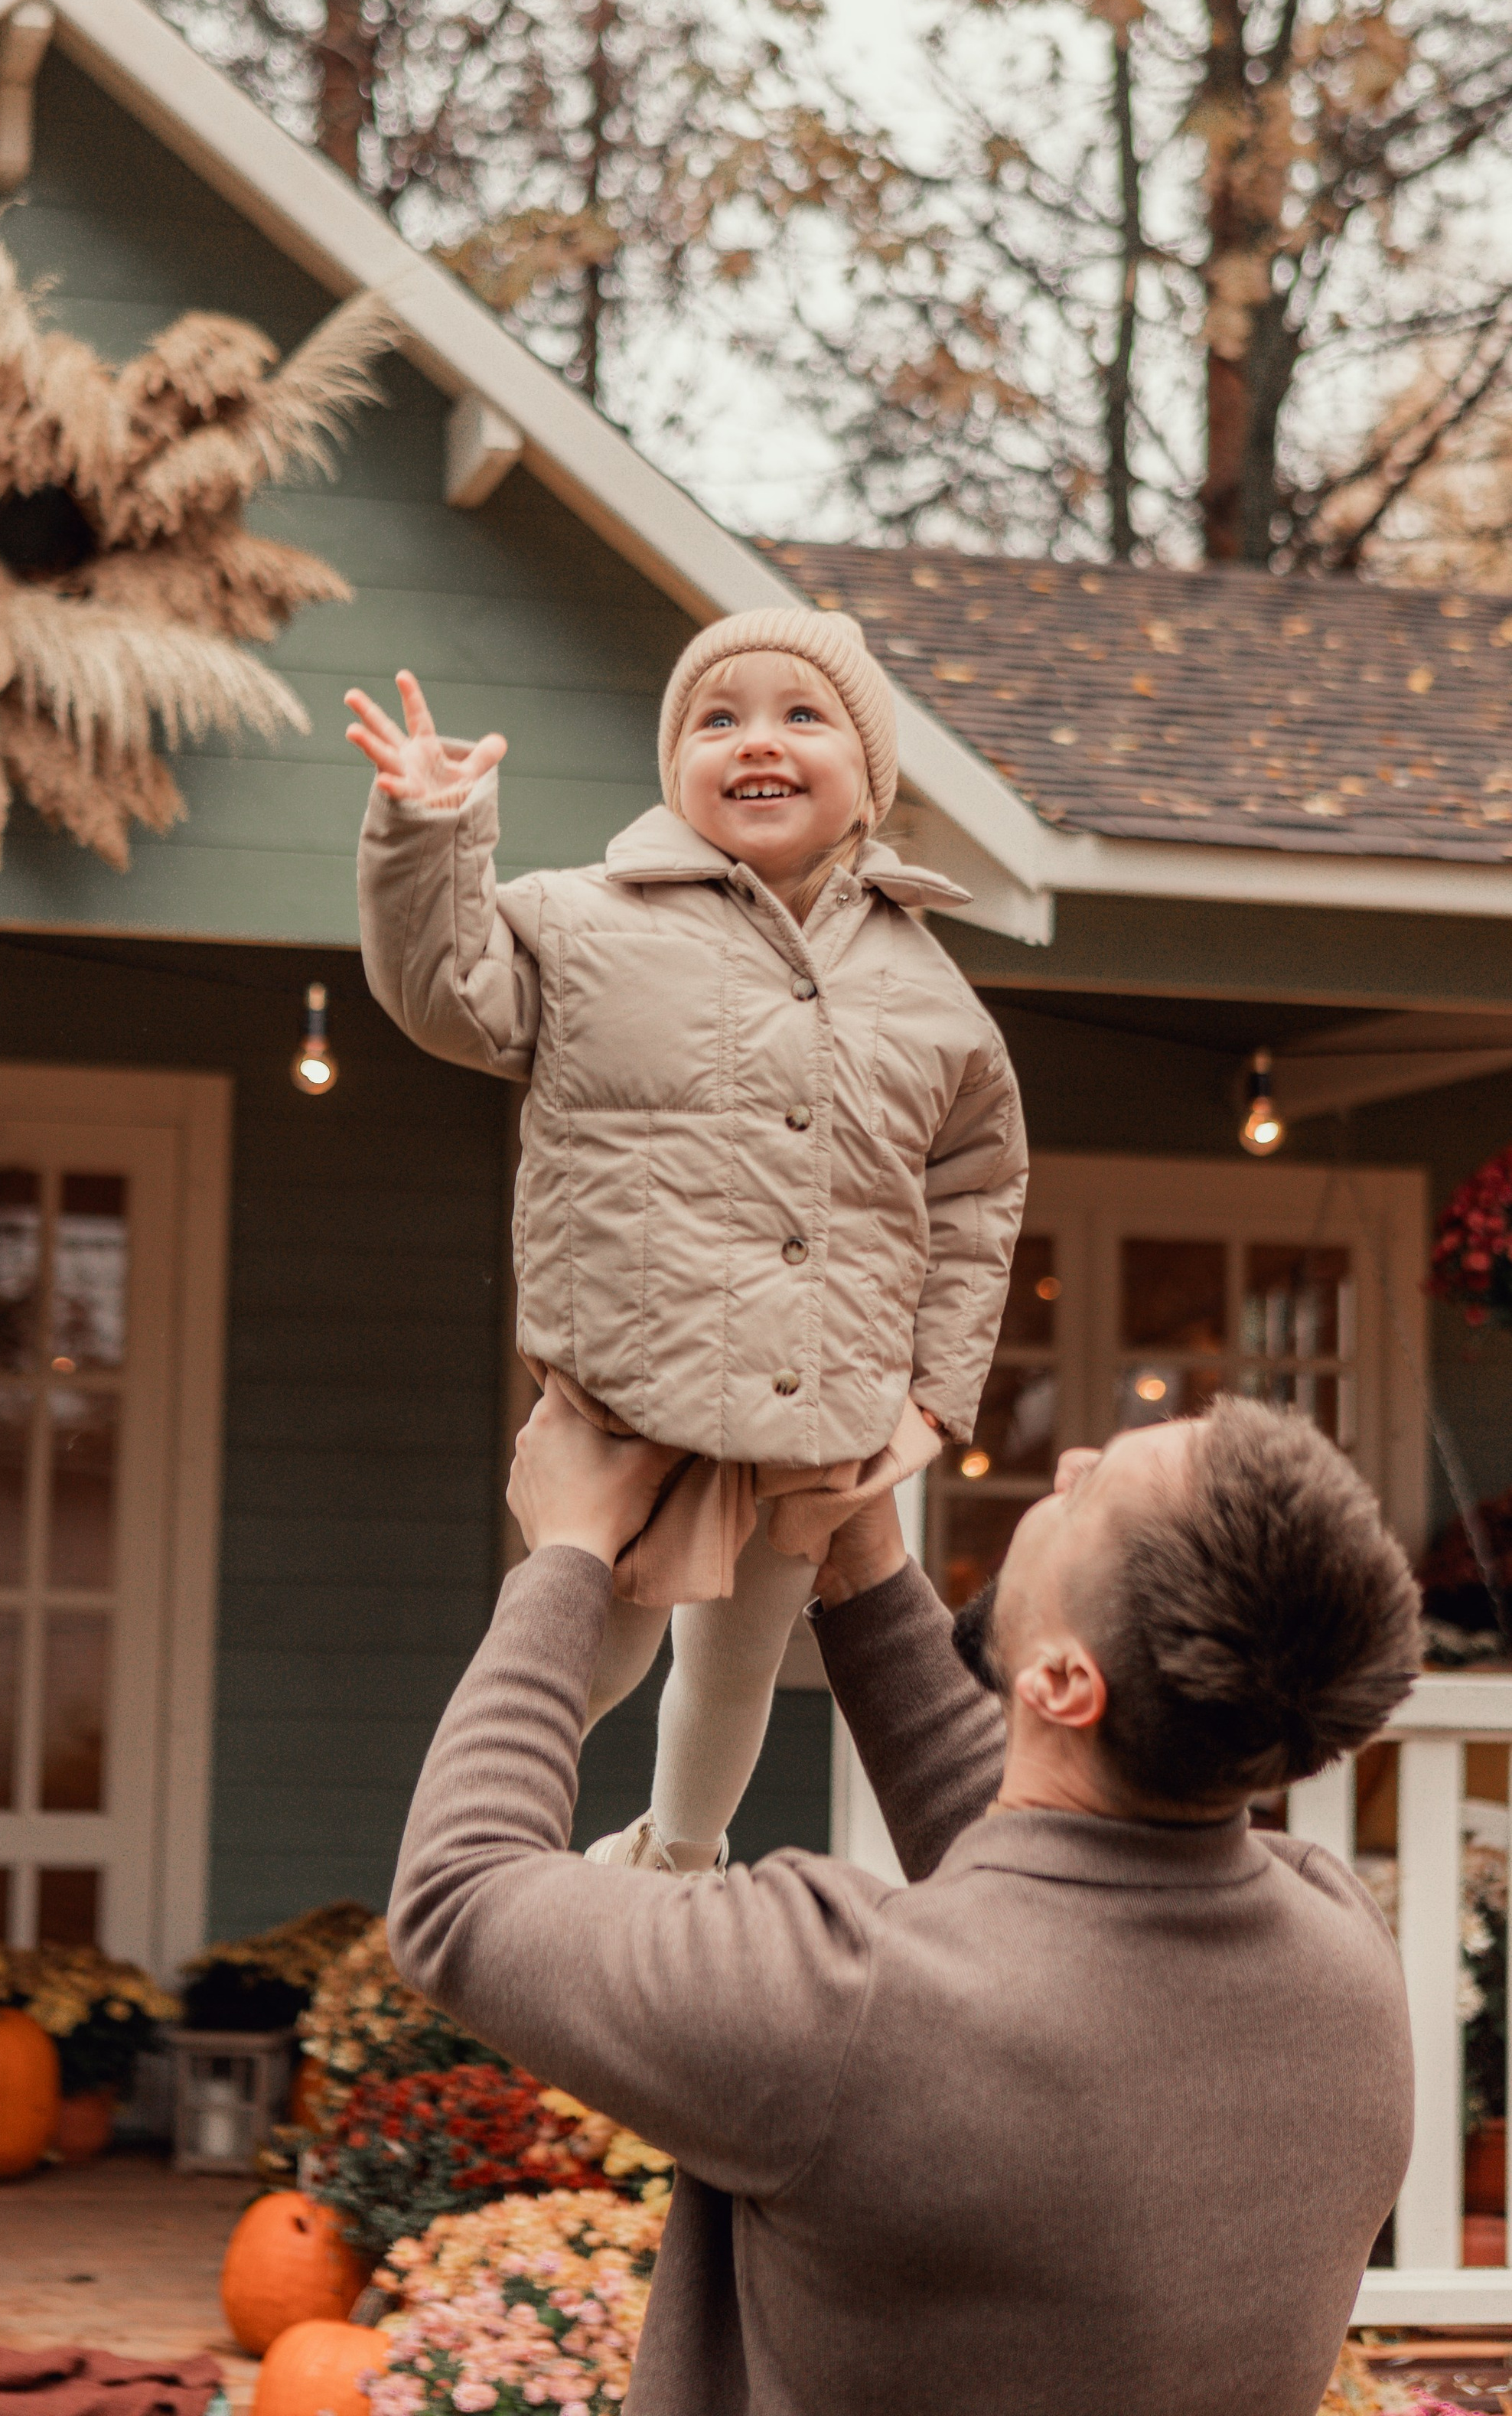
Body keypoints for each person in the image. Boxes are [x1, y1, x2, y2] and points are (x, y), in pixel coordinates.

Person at [388, 1388, 1420, 2416]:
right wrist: (863, 1566)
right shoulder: (1344, 1967)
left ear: (1063, 1683)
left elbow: (459, 1888)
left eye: (1093, 1487)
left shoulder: (850, 2002)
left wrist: (566, 1550)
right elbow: (1045, 1874)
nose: (1065, 1465)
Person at [347, 605, 1026, 1874]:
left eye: (799, 715)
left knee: (742, 1654)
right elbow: (445, 992)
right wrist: (427, 834)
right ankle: (471, 1852)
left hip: (815, 1398)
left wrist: (934, 1400)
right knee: (585, 1641)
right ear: (676, 769)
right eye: (719, 718)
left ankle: (681, 1850)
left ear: (868, 780)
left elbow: (978, 1197)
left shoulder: (930, 990)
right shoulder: (584, 920)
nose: (755, 741)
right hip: (630, 1385)